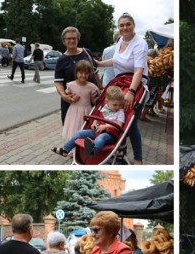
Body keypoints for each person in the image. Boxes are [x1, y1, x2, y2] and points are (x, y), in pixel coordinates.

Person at [94, 13, 148, 165]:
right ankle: (118, 148)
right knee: (111, 113)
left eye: (127, 24)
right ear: (118, 28)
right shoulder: (120, 42)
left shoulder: (140, 44)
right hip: (121, 83)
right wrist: (99, 64)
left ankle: (138, 159)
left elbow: (138, 70)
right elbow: (116, 61)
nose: (124, 27)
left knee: (131, 123)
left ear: (133, 25)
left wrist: (131, 92)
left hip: (135, 85)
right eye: (121, 25)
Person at [52, 84, 123, 158]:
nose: (117, 107)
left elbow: (119, 126)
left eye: (120, 105)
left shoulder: (120, 112)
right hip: (97, 131)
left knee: (101, 137)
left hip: (109, 134)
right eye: (115, 105)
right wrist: (94, 123)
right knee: (80, 132)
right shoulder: (103, 108)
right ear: (107, 101)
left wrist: (105, 126)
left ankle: (92, 151)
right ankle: (65, 149)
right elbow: (97, 117)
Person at [54, 26, 100, 126]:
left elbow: (95, 72)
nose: (71, 40)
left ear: (78, 39)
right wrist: (64, 96)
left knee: (91, 127)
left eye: (74, 38)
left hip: (91, 99)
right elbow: (58, 82)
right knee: (72, 128)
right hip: (71, 101)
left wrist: (101, 88)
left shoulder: (86, 52)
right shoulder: (61, 60)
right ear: (64, 41)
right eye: (68, 38)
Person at [58, 60, 99, 141]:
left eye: (86, 73)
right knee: (73, 129)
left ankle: (80, 149)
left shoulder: (91, 87)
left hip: (86, 112)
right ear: (76, 73)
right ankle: (72, 150)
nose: (83, 75)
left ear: (89, 74)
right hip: (74, 111)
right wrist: (72, 98)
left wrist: (99, 98)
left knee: (83, 130)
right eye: (81, 73)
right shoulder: (71, 85)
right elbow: (67, 97)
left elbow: (93, 101)